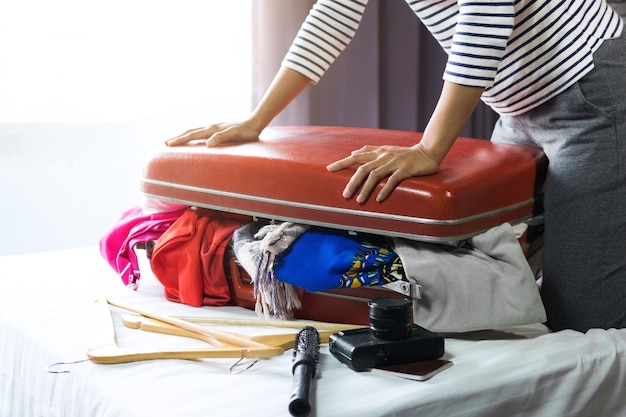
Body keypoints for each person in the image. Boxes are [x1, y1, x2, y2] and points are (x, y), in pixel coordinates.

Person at [166, 0, 625, 333]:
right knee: (507, 284)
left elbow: (484, 15)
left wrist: (430, 148)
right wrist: (256, 121)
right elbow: (333, 15)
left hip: (590, 96)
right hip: (517, 108)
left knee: (584, 319)